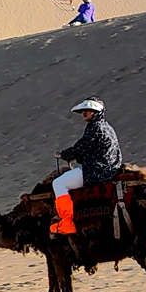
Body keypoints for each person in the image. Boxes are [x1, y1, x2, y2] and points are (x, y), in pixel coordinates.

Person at [50, 98, 121, 235]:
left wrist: (64, 154)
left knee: (58, 183)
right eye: (83, 110)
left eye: (88, 110)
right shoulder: (105, 126)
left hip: (98, 170)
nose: (84, 112)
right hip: (107, 167)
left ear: (96, 112)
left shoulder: (96, 128)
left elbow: (81, 147)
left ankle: (67, 222)